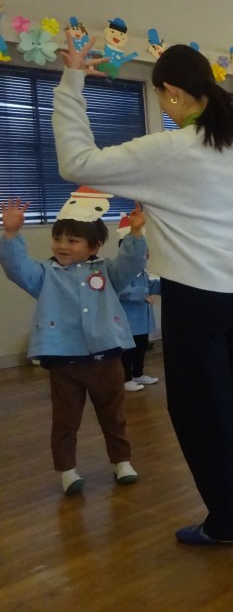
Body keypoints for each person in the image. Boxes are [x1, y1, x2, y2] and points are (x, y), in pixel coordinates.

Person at [52, 36, 233, 545]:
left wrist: (71, 83)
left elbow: (77, 164)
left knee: (204, 412)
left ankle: (230, 522)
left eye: (160, 95)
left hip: (197, 302)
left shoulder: (166, 151)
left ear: (171, 91)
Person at [0, 195, 146, 495]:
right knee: (65, 420)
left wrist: (135, 234)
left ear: (94, 246)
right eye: (58, 239)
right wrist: (11, 234)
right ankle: (67, 470)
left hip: (106, 358)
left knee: (113, 416)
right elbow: (17, 268)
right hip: (64, 363)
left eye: (72, 240)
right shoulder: (45, 274)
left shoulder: (107, 272)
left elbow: (131, 264)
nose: (62, 245)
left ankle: (121, 462)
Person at [116, 214, 161, 391]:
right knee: (128, 350)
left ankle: (138, 373)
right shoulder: (121, 271)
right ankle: (125, 378)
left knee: (141, 347)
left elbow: (151, 285)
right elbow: (122, 291)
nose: (147, 254)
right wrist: (143, 294)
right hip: (129, 320)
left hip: (142, 321)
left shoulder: (142, 271)